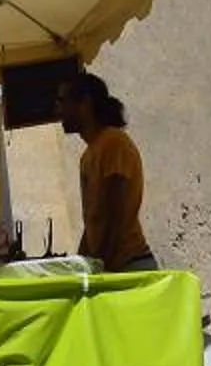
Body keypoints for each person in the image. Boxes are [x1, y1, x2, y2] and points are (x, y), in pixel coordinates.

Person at [57, 71, 154, 272]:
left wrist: (100, 266)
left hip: (128, 265)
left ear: (85, 104)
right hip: (111, 266)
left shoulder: (113, 143)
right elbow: (95, 220)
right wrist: (80, 264)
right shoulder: (89, 154)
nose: (57, 110)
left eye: (62, 101)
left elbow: (114, 214)